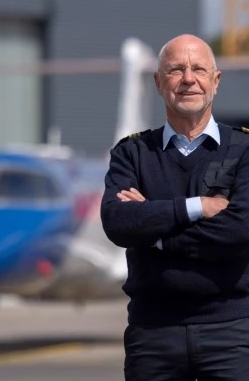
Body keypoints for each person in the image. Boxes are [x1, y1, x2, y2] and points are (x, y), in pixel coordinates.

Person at [101, 34, 249, 381]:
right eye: (175, 69)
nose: (188, 79)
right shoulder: (131, 154)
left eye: (198, 68)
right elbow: (119, 222)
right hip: (152, 335)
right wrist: (197, 206)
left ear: (216, 80)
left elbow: (240, 230)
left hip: (232, 334)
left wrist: (155, 233)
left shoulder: (244, 150)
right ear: (157, 82)